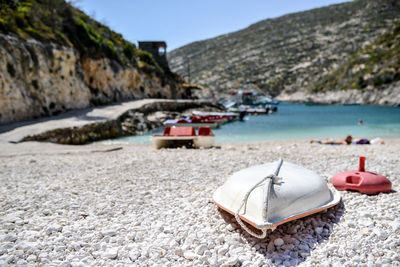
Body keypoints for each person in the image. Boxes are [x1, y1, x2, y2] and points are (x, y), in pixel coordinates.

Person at [310, 135, 383, 145]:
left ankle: (314, 140)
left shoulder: (344, 140)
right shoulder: (344, 141)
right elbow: (345, 144)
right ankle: (314, 140)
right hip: (332, 141)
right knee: (322, 141)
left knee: (322, 141)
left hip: (333, 140)